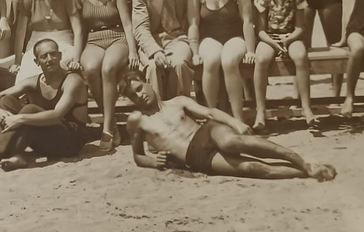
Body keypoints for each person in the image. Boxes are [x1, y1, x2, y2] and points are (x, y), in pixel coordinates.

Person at [121, 70, 336, 180]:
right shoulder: (137, 121)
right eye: (133, 95)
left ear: (147, 82)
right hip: (194, 157)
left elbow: (210, 112)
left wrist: (235, 121)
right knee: (252, 168)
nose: (139, 96)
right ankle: (306, 171)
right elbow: (137, 156)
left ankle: (300, 159)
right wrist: (153, 162)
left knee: (232, 141)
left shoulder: (178, 102)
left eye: (139, 88)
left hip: (207, 132)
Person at [0, 39, 89, 173]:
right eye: (44, 56)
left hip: (70, 142)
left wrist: (20, 118)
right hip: (46, 139)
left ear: (60, 55)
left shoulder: (73, 80)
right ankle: (15, 155)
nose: (50, 59)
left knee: (30, 109)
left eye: (53, 54)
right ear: (37, 62)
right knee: (5, 101)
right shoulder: (34, 81)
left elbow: (56, 116)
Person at [75, 0, 139, 151]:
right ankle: (111, 124)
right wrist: (77, 55)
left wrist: (133, 52)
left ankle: (107, 130)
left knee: (108, 68)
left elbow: (127, 25)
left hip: (117, 37)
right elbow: (80, 28)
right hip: (93, 39)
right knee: (91, 68)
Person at [187, 0, 257, 125]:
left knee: (228, 60)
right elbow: (193, 22)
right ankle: (213, 117)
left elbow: (247, 20)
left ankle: (238, 118)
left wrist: (250, 50)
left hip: (235, 35)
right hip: (209, 36)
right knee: (210, 60)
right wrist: (194, 52)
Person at [252, 0, 316, 131]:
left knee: (300, 56)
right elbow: (260, 30)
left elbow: (300, 28)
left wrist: (287, 41)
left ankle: (306, 108)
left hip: (290, 37)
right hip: (269, 38)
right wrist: (274, 43)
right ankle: (260, 111)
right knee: (261, 58)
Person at [130, 0, 193, 100]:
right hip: (153, 39)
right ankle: (157, 111)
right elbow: (140, 28)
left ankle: (181, 109)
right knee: (152, 66)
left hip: (178, 38)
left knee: (179, 64)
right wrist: (155, 51)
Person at [11, 0, 83, 84]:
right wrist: (18, 62)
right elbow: (20, 32)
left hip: (64, 44)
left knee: (60, 65)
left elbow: (78, 31)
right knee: (28, 69)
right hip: (36, 44)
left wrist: (76, 59)